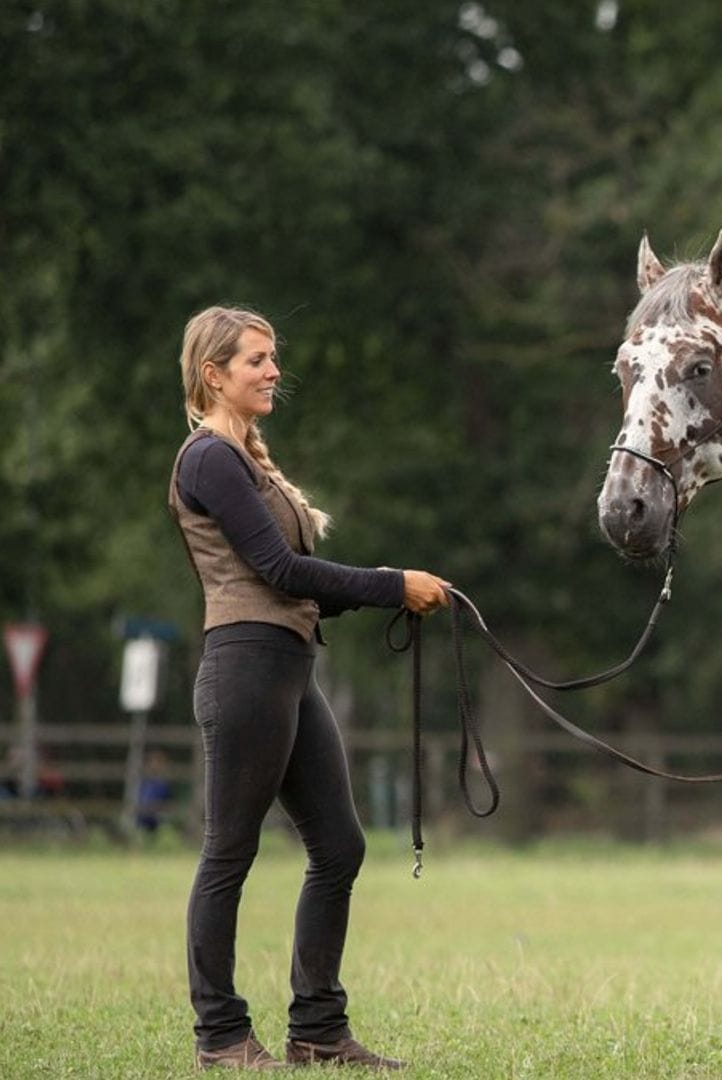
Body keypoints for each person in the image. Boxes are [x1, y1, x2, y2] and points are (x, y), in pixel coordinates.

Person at [169, 305, 451, 1071]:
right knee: (229, 853)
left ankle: (318, 1031)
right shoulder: (209, 460)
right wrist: (394, 584)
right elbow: (278, 572)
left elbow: (297, 588)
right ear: (214, 375)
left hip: (286, 668)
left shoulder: (248, 463)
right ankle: (221, 1036)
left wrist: (402, 594)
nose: (271, 371)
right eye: (255, 360)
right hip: (247, 670)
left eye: (271, 358)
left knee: (339, 845)